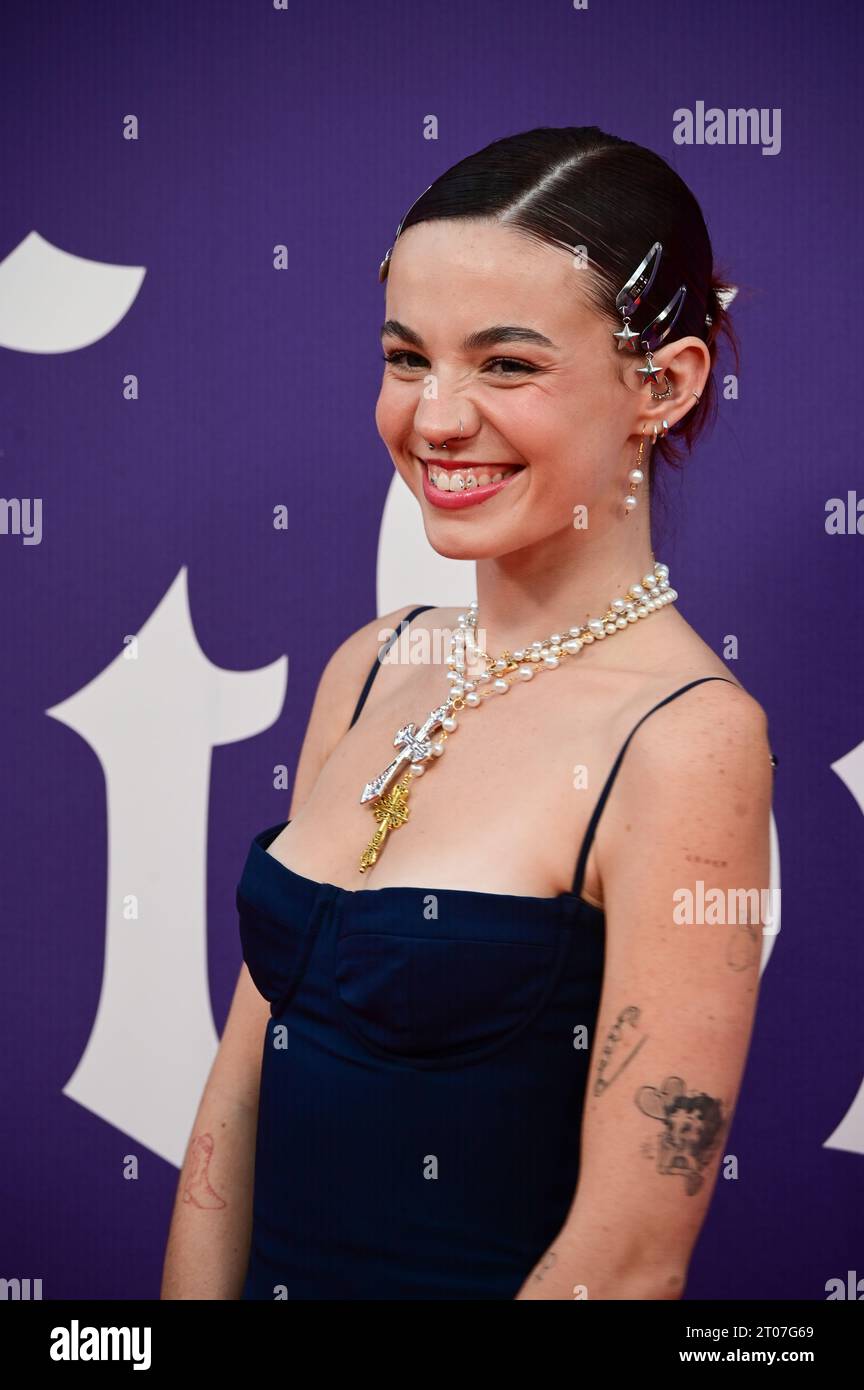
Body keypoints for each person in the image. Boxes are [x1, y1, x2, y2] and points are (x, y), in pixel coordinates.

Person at [161, 125, 776, 1301]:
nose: (435, 420)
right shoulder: (371, 662)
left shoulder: (688, 737)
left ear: (665, 383)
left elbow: (629, 1262)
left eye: (506, 365)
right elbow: (239, 1084)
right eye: (407, 357)